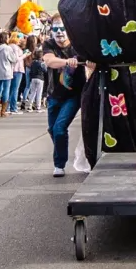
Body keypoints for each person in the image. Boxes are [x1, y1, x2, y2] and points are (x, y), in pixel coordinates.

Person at [42, 14, 85, 177]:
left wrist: (90, 62)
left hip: (73, 95)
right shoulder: (49, 44)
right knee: (52, 130)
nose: (59, 32)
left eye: (62, 28)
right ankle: (61, 154)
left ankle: (59, 164)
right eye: (56, 29)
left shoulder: (78, 45)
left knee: (60, 128)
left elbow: (91, 58)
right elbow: (49, 61)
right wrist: (67, 62)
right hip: (54, 94)